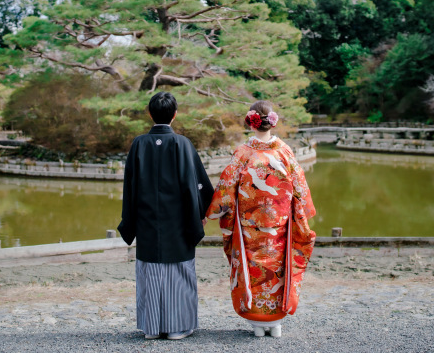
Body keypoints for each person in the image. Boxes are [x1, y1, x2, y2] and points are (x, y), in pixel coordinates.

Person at [205, 100, 316, 337]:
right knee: (278, 269)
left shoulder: (243, 153)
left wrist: (211, 214)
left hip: (250, 229)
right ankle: (275, 321)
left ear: (250, 122)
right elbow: (300, 188)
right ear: (272, 122)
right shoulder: (285, 151)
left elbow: (226, 190)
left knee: (254, 269)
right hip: (280, 227)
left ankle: (257, 323)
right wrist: (303, 212)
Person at [118, 92, 214, 340]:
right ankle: (177, 328)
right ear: (175, 114)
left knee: (150, 272)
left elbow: (130, 186)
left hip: (147, 220)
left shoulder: (139, 144)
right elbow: (197, 185)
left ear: (150, 114)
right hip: (179, 223)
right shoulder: (182, 144)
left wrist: (130, 221)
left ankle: (152, 328)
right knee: (179, 274)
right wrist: (201, 213)